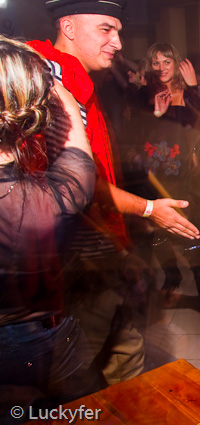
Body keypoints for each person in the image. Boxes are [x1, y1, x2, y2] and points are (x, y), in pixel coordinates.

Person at [25, 0, 197, 384]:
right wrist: (149, 209)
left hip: (95, 246)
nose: (118, 43)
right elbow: (74, 182)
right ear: (69, 27)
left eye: (118, 31)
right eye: (106, 29)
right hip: (72, 262)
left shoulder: (78, 80)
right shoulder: (54, 84)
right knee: (76, 371)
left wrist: (116, 249)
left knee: (125, 348)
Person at [0, 36, 100, 417]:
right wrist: (55, 83)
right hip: (42, 341)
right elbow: (78, 165)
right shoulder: (43, 202)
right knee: (91, 412)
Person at [133, 42, 200, 317]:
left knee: (189, 234)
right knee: (156, 233)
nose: (161, 68)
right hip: (152, 174)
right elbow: (135, 131)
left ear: (177, 64)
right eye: (156, 62)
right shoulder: (144, 93)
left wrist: (193, 88)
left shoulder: (187, 92)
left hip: (181, 176)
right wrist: (156, 113)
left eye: (167, 61)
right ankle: (172, 276)